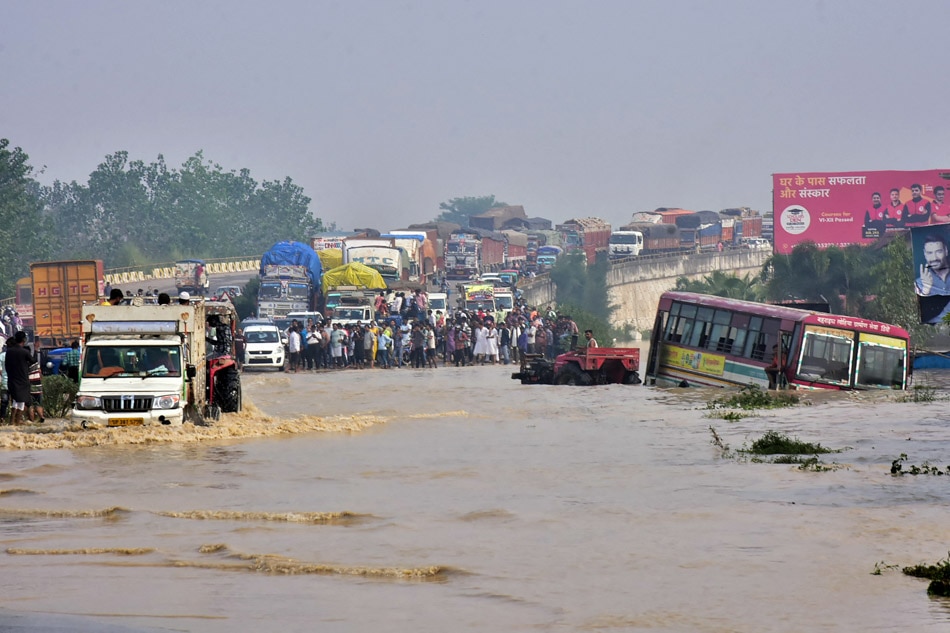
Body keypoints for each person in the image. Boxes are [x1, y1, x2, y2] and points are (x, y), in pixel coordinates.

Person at [4, 331, 33, 425]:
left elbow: (7, 366)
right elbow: (33, 361)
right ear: (24, 340)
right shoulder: (24, 352)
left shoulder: (9, 351)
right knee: (21, 401)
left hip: (12, 379)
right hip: (22, 379)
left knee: (15, 400)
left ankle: (12, 422)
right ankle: (17, 421)